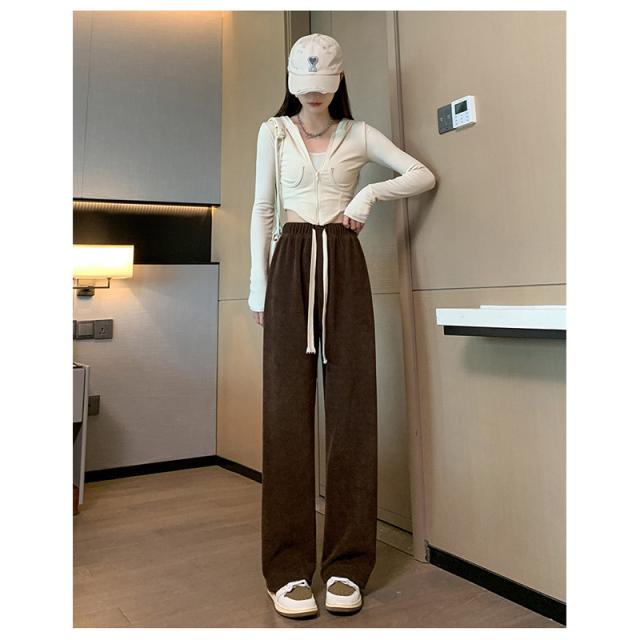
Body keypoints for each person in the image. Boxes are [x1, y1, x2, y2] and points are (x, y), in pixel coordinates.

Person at [248, 33, 436, 619]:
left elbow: (421, 174)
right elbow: (262, 209)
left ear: (337, 81)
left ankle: (347, 564)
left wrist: (370, 195)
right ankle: (286, 568)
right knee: (285, 415)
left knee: (353, 412)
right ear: (291, 83)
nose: (313, 95)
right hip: (289, 264)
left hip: (345, 266)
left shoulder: (359, 133)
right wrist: (258, 286)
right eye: (304, 86)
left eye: (322, 85)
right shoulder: (273, 132)